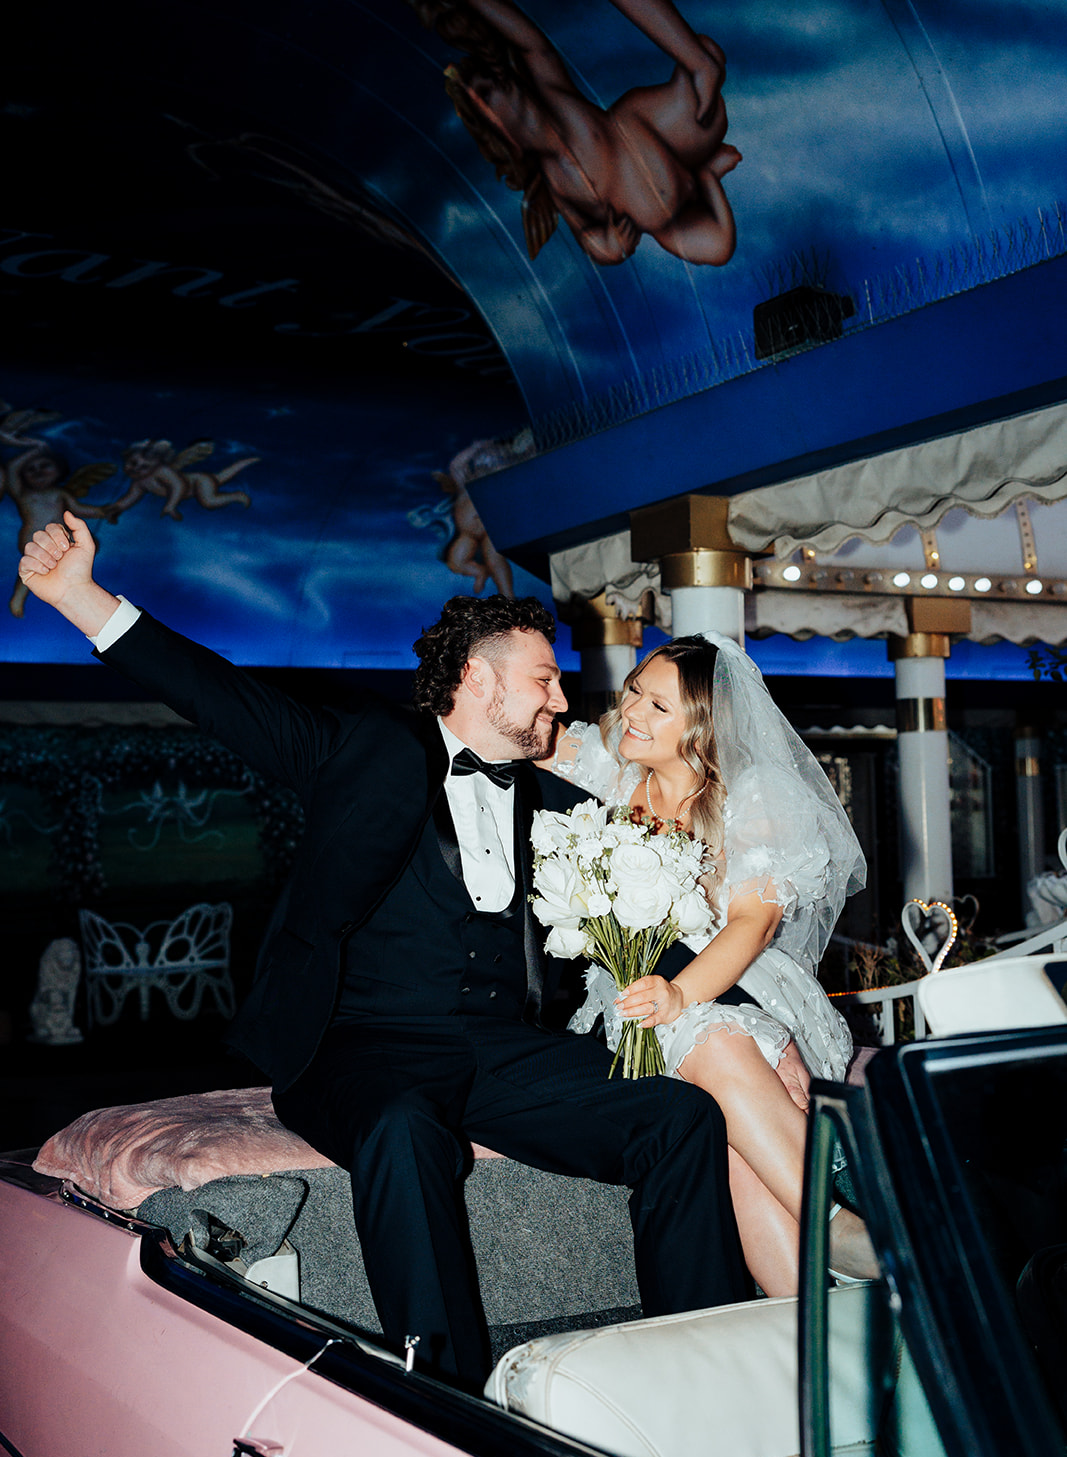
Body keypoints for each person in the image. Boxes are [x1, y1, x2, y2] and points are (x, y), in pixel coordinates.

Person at [18, 513, 751, 1387]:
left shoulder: (558, 801)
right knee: (403, 1130)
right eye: (545, 680)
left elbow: (648, 927)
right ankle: (446, 1396)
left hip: (497, 1050)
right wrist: (77, 598)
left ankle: (702, 1369)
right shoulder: (362, 747)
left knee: (677, 1119)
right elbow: (215, 693)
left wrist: (740, 1014)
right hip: (357, 1045)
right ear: (478, 679)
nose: (561, 700)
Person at [542, 633, 874, 1297]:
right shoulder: (615, 767)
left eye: (658, 705)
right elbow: (523, 735)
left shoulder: (751, 798)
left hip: (740, 985)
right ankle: (833, 1237)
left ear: (703, 725)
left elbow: (754, 922)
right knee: (716, 1070)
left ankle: (805, 1305)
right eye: (635, 689)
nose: (632, 709)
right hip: (631, 999)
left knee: (723, 1092)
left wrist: (680, 995)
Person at [415, 0, 741, 265]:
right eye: (485, 94)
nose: (496, 79)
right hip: (665, 213)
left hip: (657, 132)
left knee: (706, 52)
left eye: (487, 76)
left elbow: (529, 42)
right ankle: (706, 176)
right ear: (492, 131)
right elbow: (587, 236)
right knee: (717, 246)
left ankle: (699, 76)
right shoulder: (554, 181)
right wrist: (609, 245)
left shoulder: (552, 93)